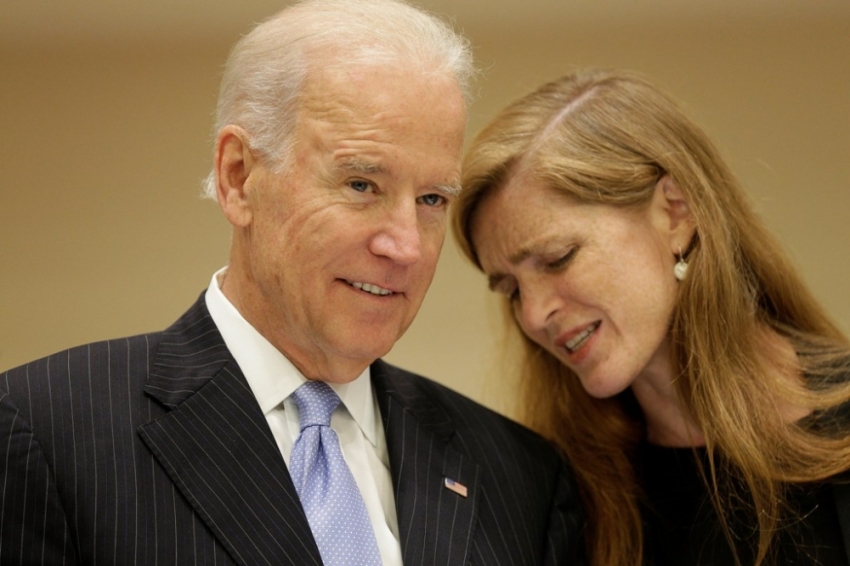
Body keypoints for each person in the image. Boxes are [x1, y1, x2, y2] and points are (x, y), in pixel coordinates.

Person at [0, 1, 585, 564]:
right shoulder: (48, 434)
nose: (406, 246)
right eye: (361, 184)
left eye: (432, 199)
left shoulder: (520, 477)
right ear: (239, 178)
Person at [453, 68, 850, 566]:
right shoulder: (562, 497)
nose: (534, 315)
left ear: (676, 213)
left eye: (558, 258)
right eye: (510, 289)